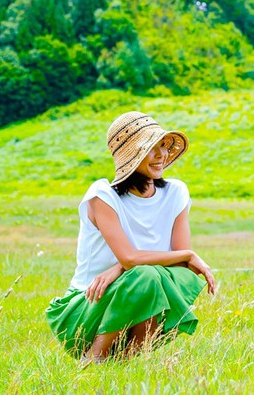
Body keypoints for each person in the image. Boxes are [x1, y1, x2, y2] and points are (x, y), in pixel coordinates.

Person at [45, 111, 217, 363]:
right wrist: (188, 255)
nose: (161, 155)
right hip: (86, 307)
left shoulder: (176, 192)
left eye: (163, 146)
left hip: (135, 299)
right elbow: (132, 258)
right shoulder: (102, 195)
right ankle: (94, 359)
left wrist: (119, 269)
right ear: (131, 154)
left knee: (172, 276)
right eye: (151, 148)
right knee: (145, 275)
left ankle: (126, 361)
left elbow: (178, 264)